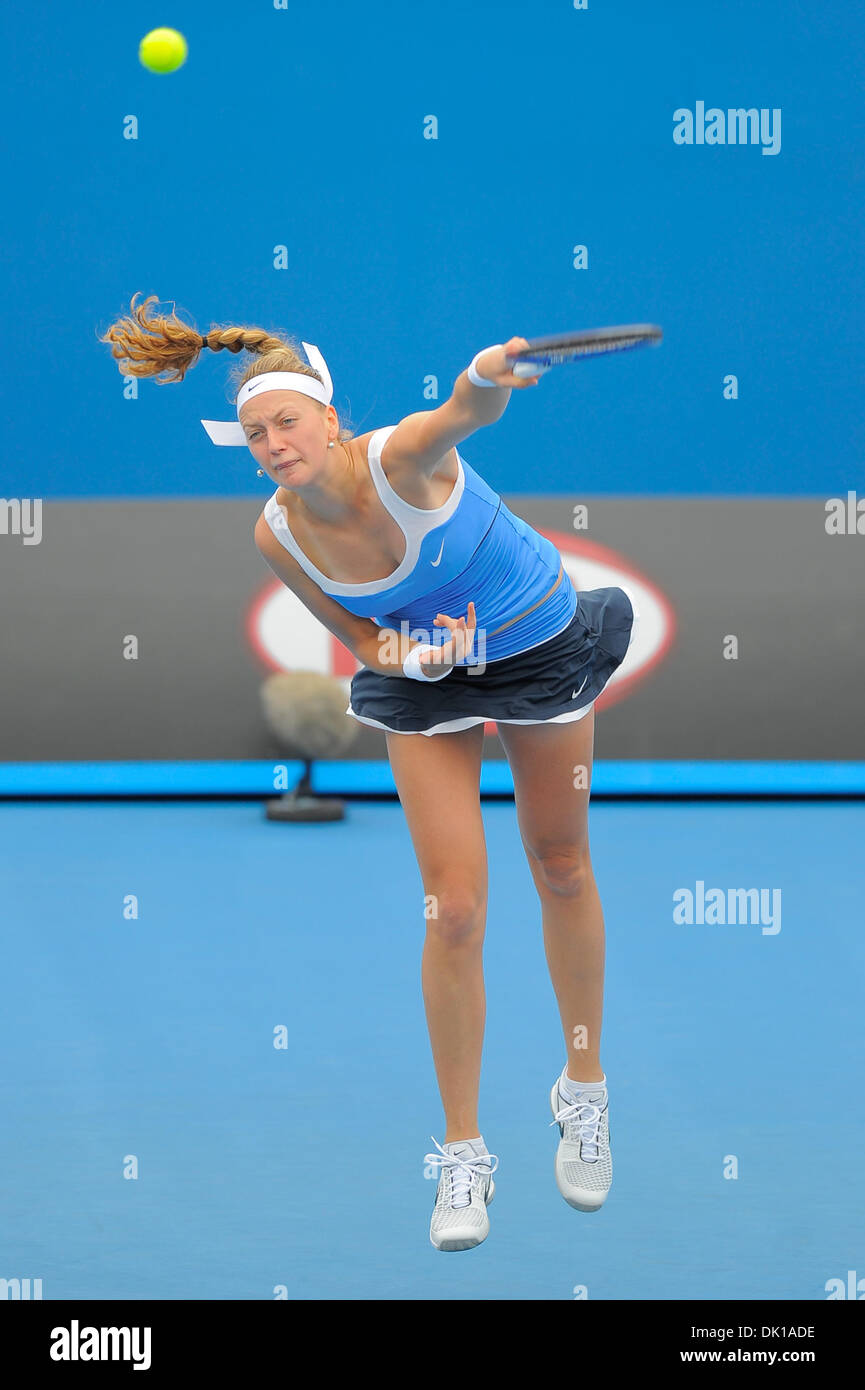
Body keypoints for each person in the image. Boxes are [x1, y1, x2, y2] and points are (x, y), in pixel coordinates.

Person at [100, 293, 636, 1253]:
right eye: (256, 433)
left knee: (560, 865)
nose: (272, 443)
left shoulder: (399, 460)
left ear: (329, 418)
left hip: (539, 647)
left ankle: (583, 1088)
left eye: (287, 422)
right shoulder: (276, 535)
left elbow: (461, 414)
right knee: (455, 909)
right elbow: (365, 642)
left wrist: (482, 378)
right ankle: (464, 1152)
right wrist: (418, 660)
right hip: (430, 682)